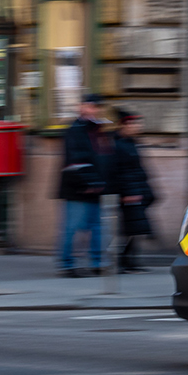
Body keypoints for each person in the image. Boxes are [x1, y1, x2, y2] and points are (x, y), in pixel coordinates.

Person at [57, 94, 114, 277]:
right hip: (77, 189)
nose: (93, 110)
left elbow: (104, 157)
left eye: (96, 107)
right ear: (81, 107)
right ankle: (66, 264)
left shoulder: (98, 130)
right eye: (89, 107)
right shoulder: (75, 130)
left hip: (96, 188)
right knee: (72, 228)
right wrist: (90, 181)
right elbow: (75, 160)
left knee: (97, 227)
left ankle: (97, 262)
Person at [112, 110, 156, 272]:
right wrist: (125, 193)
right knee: (127, 230)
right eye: (135, 124)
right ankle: (121, 261)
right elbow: (119, 172)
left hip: (137, 190)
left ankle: (130, 261)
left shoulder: (130, 143)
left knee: (134, 229)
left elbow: (137, 170)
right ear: (125, 125)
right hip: (129, 193)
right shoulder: (118, 144)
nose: (138, 127)